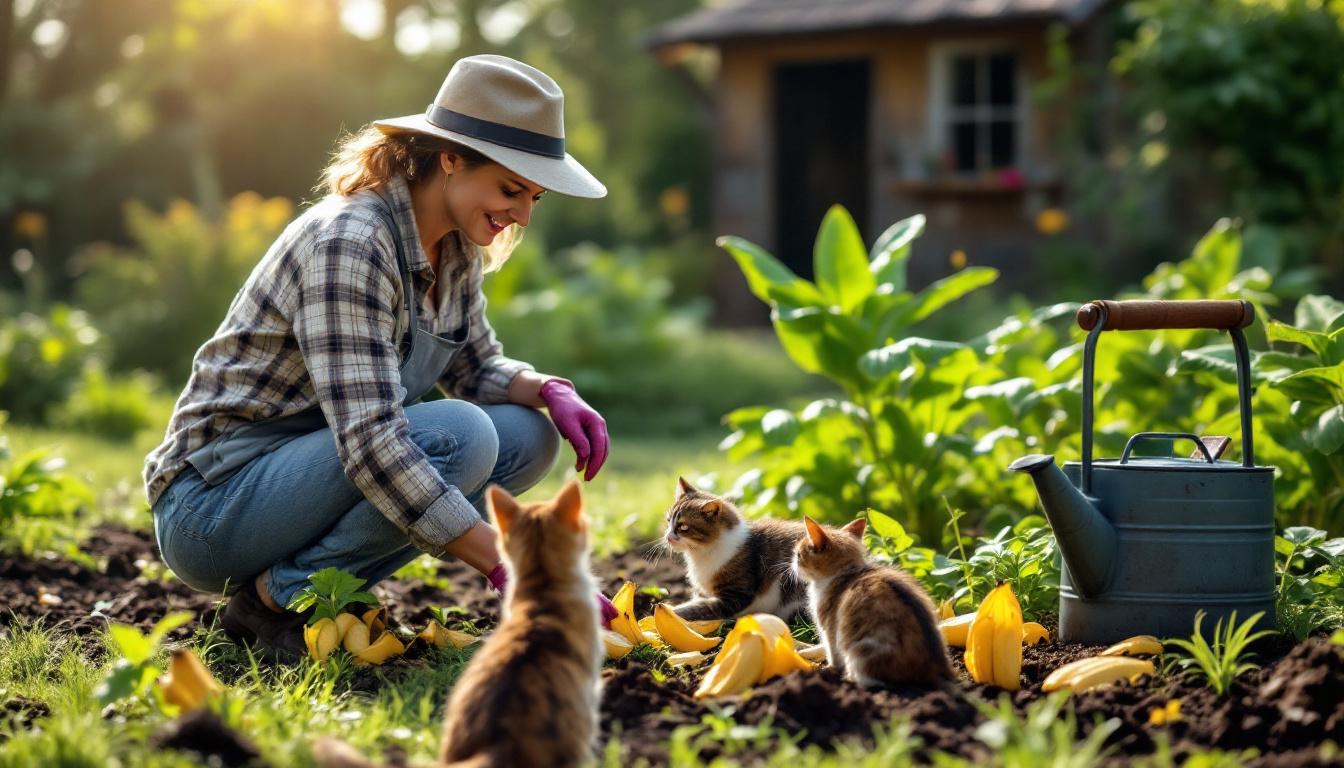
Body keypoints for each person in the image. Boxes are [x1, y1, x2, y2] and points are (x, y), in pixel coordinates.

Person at [143, 55, 613, 661]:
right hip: (214, 504)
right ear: (451, 158)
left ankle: (311, 587)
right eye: (510, 189)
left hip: (309, 473)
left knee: (528, 435)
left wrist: (548, 389)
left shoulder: (456, 245)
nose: (521, 214)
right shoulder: (352, 242)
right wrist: (516, 565)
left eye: (534, 196)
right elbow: (372, 441)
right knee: (463, 434)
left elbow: (473, 368)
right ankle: (276, 602)